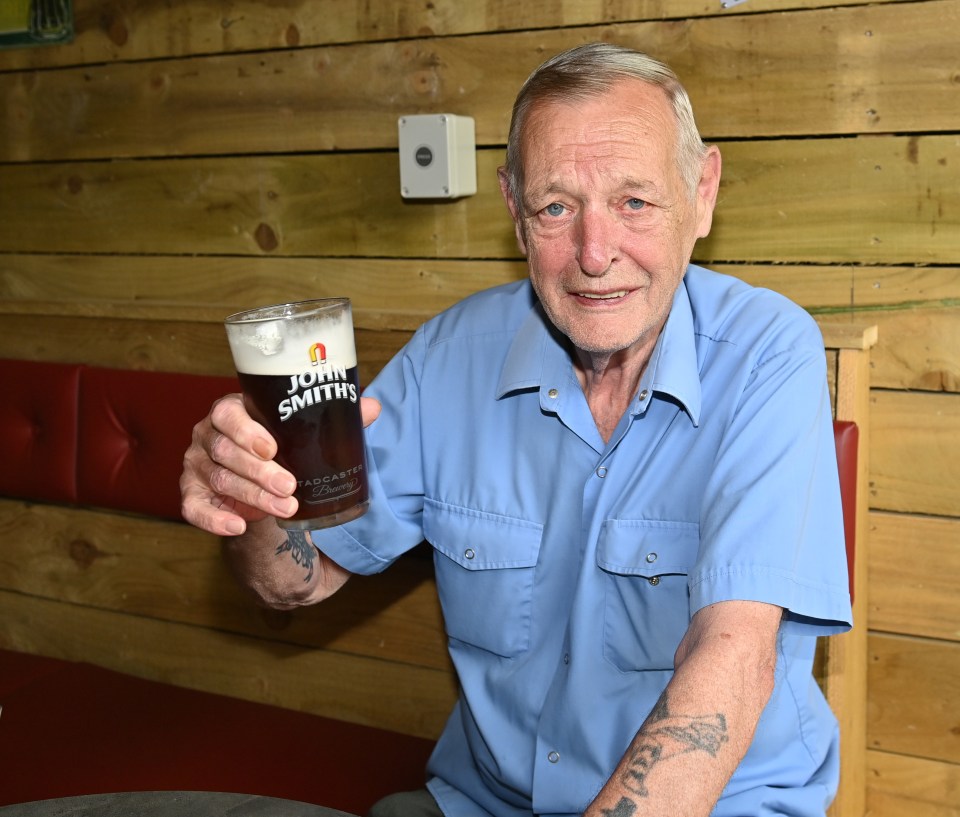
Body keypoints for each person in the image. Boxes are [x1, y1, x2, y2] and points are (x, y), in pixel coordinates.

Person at [181, 43, 852, 817]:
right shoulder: (448, 357)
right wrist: (256, 500)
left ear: (701, 195)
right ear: (513, 209)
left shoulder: (770, 351)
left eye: (635, 201)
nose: (595, 255)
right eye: (556, 207)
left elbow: (732, 654)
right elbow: (290, 581)